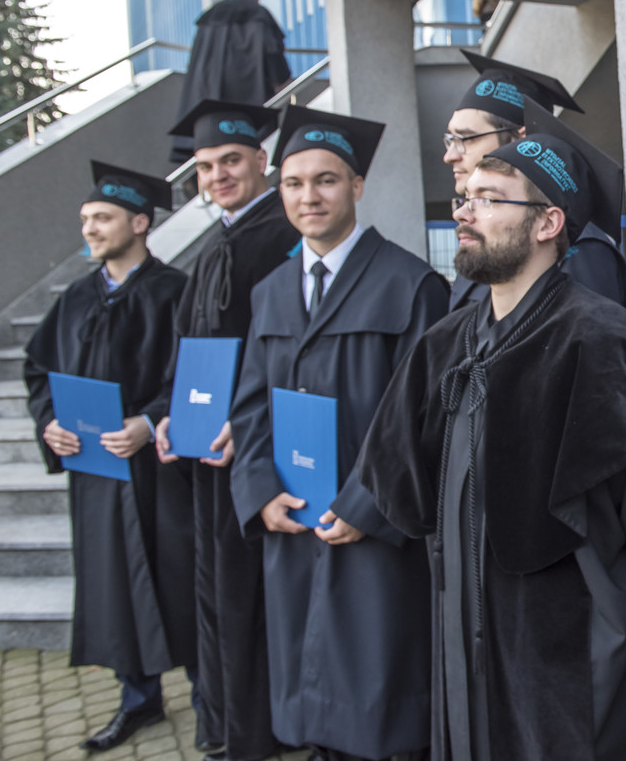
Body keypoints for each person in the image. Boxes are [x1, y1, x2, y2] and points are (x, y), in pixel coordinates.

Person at [356, 113, 626, 760]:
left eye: (491, 199)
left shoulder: (601, 344)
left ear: (548, 223)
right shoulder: (445, 346)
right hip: (467, 639)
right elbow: (401, 481)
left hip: (575, 654)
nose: (465, 211)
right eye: (466, 197)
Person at [229, 106, 448, 761]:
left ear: (356, 185)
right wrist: (259, 490)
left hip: (372, 529)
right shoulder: (270, 292)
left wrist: (364, 505)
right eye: (294, 184)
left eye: (325, 180)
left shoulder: (411, 284)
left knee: (380, 696)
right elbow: (250, 407)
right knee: (309, 691)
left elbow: (421, 418)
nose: (309, 197)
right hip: (295, 523)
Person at [23, 163, 192, 751]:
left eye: (102, 218)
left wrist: (150, 422)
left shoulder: (175, 292)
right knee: (113, 585)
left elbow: (194, 377)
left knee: (178, 578)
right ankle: (138, 700)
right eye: (85, 219)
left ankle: (211, 700)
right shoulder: (75, 298)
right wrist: (50, 423)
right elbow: (38, 371)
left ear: (140, 223)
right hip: (96, 471)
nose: (89, 229)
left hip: (159, 469)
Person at [154, 100, 299, 761]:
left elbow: (289, 349)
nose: (218, 175)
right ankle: (224, 724)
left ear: (261, 161)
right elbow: (187, 348)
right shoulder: (216, 243)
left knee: (250, 596)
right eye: (206, 166)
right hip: (206, 447)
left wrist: (253, 423)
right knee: (215, 589)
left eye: (231, 161)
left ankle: (257, 731)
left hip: (255, 451)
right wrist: (169, 412)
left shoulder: (282, 235)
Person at [445, 49, 626, 310]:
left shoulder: (576, 246)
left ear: (520, 139)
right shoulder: (483, 241)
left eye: (466, 139)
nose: (449, 155)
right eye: (450, 140)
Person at [171, 0, 290, 163]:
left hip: (208, 101)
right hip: (247, 102)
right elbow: (274, 57)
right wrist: (281, 77)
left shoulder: (211, 15)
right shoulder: (258, 14)